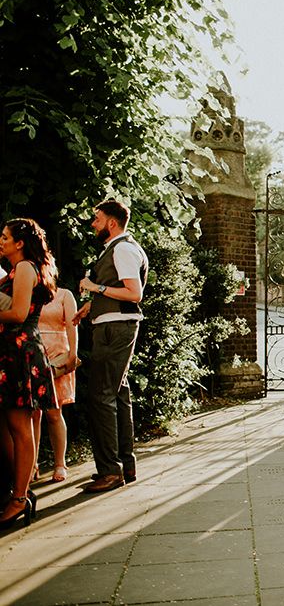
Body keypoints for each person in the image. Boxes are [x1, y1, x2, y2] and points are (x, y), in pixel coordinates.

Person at [73, 200, 148, 493]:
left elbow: (134, 293)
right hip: (112, 324)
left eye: (97, 219)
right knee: (118, 394)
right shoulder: (118, 249)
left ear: (112, 223)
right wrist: (92, 306)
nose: (93, 223)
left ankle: (110, 471)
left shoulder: (123, 249)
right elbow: (120, 290)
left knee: (100, 396)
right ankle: (124, 467)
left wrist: (95, 287)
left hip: (115, 330)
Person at [0, 218, 58, 528]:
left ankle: (19, 498)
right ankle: (20, 489)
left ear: (20, 243)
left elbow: (19, 313)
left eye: (5, 236)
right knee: (11, 425)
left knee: (19, 426)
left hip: (19, 352)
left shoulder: (24, 268)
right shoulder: (19, 268)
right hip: (12, 352)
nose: (1, 240)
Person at [33, 287, 78, 482]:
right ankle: (31, 465)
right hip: (33, 353)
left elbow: (72, 325)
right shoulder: (25, 292)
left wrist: (73, 354)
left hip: (57, 355)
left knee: (54, 412)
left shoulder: (64, 295)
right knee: (32, 413)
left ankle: (60, 463)